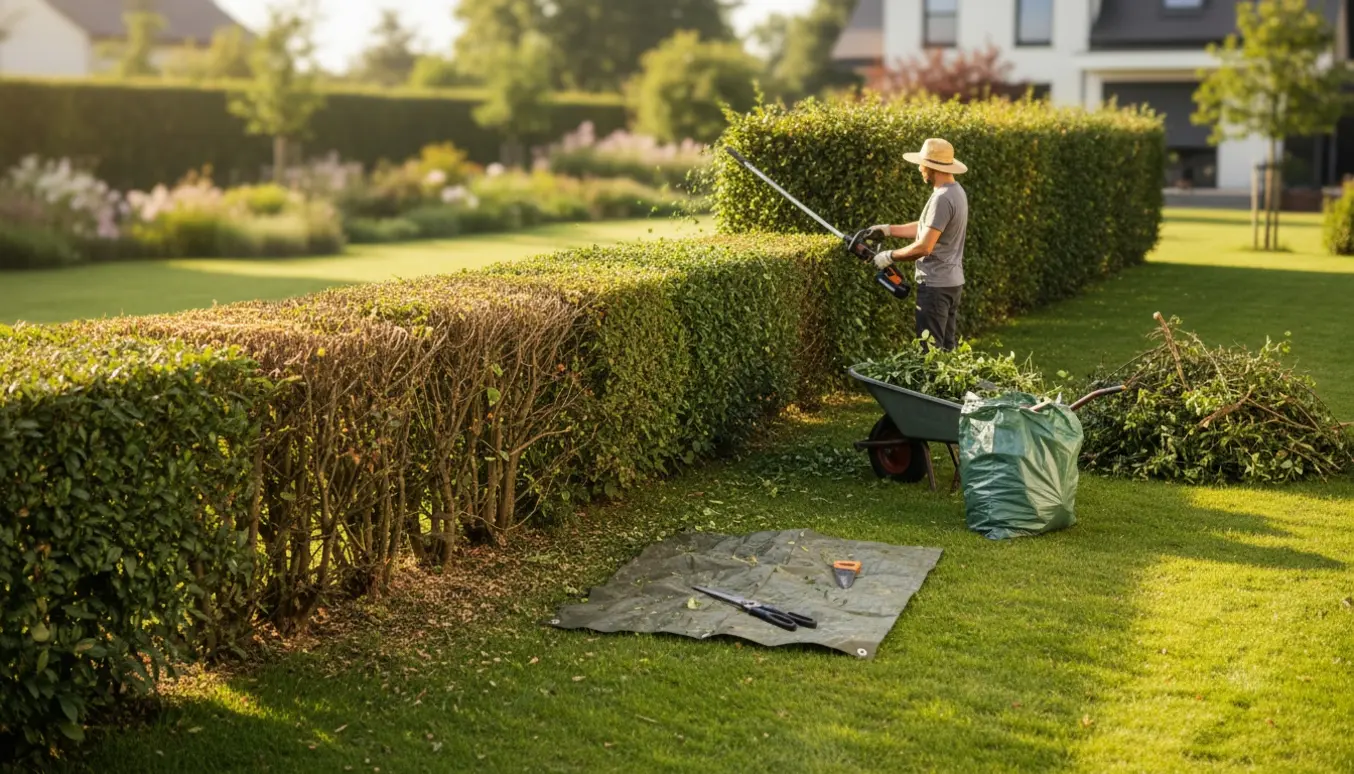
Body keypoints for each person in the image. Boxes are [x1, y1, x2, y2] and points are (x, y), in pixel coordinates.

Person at [868, 138, 969, 351]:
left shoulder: (942, 198)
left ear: (933, 167)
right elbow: (929, 227)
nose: (920, 169)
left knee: (930, 354)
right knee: (947, 352)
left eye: (923, 164)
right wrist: (888, 229)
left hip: (935, 287)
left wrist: (889, 256)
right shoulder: (956, 191)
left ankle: (933, 385)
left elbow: (924, 247)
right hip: (951, 283)